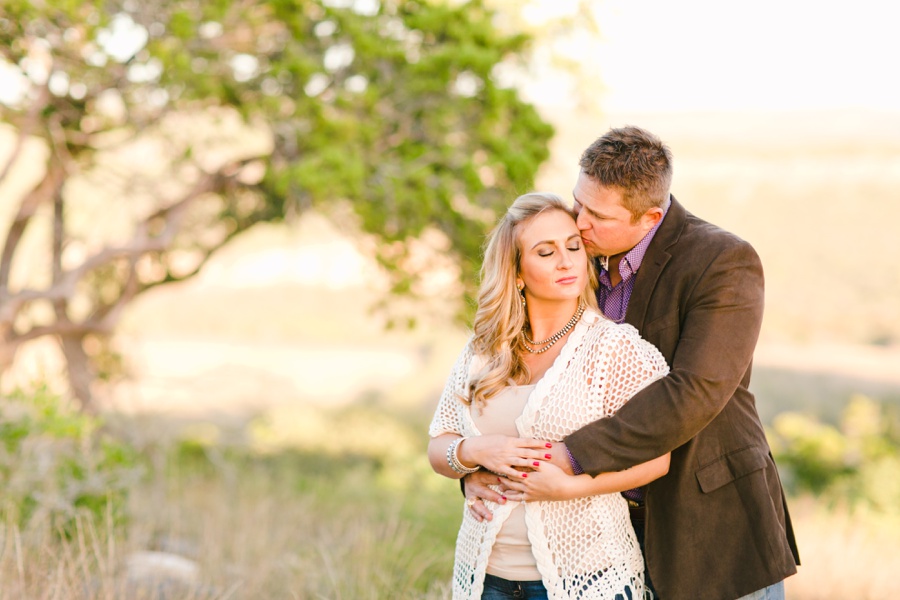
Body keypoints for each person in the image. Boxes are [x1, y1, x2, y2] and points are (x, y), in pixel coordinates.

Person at [465, 126, 800, 600]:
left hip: (709, 528)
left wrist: (570, 456)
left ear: (650, 218)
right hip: (602, 539)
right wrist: (479, 470)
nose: (578, 224)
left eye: (597, 216)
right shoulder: (580, 262)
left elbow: (694, 391)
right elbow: (535, 384)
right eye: (578, 203)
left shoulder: (723, 261)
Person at [428, 192, 673, 599]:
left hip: (589, 577)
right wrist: (474, 453)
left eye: (573, 247)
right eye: (546, 252)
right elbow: (440, 445)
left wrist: (568, 488)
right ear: (517, 272)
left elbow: (657, 458)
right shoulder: (482, 351)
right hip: (485, 577)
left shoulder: (615, 348)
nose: (566, 261)